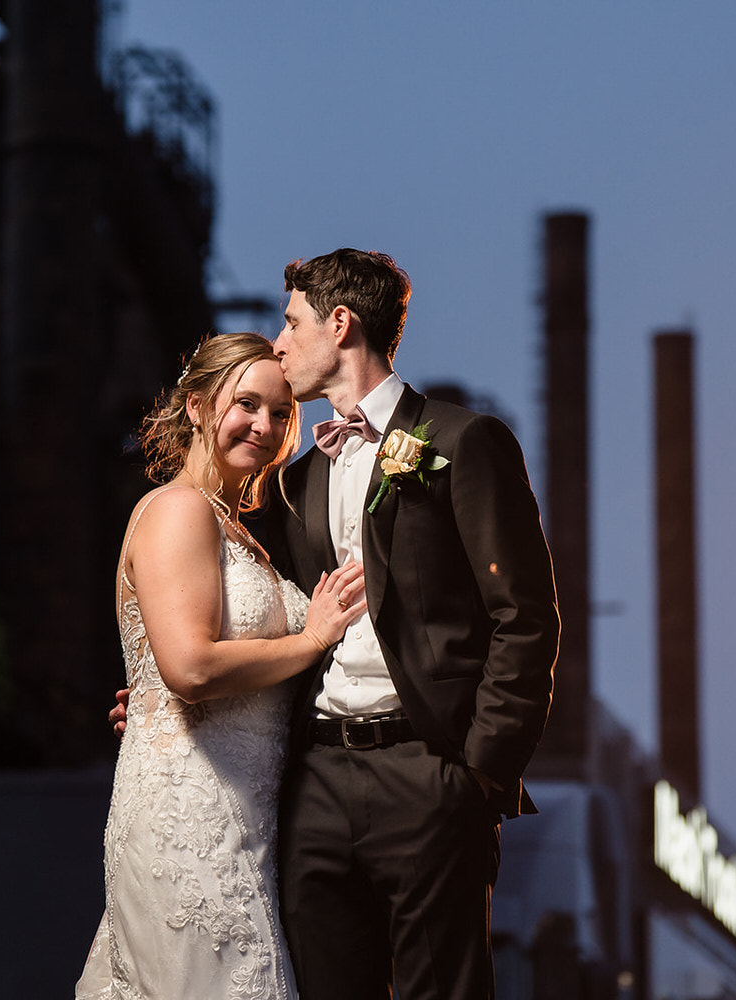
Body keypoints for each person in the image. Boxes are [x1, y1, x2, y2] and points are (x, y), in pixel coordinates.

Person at [265, 248, 559, 1000]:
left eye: (291, 322)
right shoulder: (299, 479)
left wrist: (477, 772)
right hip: (316, 783)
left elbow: (523, 619)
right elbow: (270, 624)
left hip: (428, 775)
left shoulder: (463, 443)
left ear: (341, 323)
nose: (278, 342)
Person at [77, 332, 368, 1000]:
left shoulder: (245, 536)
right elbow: (190, 668)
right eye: (246, 405)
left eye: (280, 410)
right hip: (189, 822)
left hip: (249, 825)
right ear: (197, 406)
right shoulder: (177, 510)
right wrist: (311, 636)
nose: (264, 426)